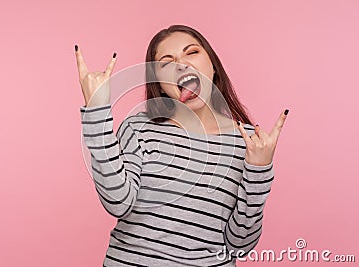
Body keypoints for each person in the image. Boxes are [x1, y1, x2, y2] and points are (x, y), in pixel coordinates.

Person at [75, 24, 288, 266]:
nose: (181, 64)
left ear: (213, 66)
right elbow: (118, 203)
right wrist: (97, 111)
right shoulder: (140, 127)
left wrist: (259, 170)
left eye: (192, 52)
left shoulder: (249, 142)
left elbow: (240, 245)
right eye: (166, 62)